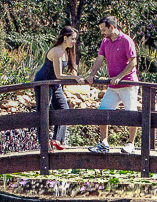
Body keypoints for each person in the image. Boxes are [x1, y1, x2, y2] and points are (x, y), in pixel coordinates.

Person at [85, 16, 140, 154]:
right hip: (113, 86)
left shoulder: (126, 40)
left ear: (111, 27)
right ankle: (104, 142)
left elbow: (133, 62)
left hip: (128, 83)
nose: (102, 32)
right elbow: (99, 59)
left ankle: (130, 143)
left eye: (104, 30)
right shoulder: (105, 42)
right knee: (103, 111)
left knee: (131, 113)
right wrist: (92, 74)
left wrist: (120, 77)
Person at [34, 26, 85, 150]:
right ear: (65, 37)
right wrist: (75, 78)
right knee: (44, 111)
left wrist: (75, 75)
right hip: (44, 83)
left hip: (55, 84)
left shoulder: (67, 51)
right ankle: (43, 143)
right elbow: (59, 75)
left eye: (75, 39)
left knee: (64, 110)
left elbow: (70, 69)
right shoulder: (56, 52)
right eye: (72, 39)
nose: (74, 42)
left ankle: (57, 140)